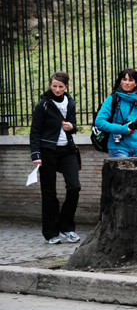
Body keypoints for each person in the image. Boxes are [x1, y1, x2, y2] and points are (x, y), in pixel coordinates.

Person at [29, 71, 81, 245]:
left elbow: (74, 126)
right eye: (54, 86)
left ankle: (67, 227)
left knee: (74, 187)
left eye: (60, 87)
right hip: (47, 151)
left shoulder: (70, 103)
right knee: (49, 192)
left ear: (66, 87)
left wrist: (72, 126)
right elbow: (35, 130)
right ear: (50, 85)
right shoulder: (43, 105)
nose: (57, 89)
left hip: (67, 150)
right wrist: (36, 154)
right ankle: (51, 232)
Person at [94, 68, 137, 159]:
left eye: (130, 80)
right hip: (118, 148)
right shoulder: (113, 99)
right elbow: (99, 121)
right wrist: (123, 129)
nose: (127, 83)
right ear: (120, 82)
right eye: (124, 79)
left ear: (136, 83)